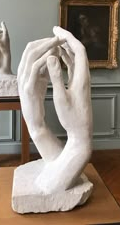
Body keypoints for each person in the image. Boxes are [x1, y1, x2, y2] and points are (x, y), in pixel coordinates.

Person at [17, 26, 93, 193]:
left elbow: (52, 186)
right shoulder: (59, 160)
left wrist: (80, 137)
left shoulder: (52, 182)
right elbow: (55, 160)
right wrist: (36, 126)